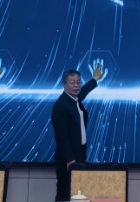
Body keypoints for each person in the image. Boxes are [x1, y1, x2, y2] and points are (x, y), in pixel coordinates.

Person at [51, 60, 105, 202]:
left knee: (77, 190)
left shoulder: (73, 99)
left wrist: (95, 79)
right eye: (72, 83)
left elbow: (83, 92)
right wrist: (69, 158)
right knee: (65, 191)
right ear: (64, 84)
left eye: (78, 82)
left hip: (79, 152)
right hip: (68, 157)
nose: (76, 86)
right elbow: (61, 136)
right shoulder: (61, 106)